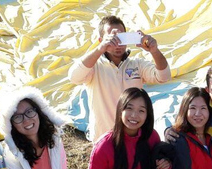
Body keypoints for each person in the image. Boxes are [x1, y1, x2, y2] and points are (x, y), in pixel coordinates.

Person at [68, 15, 171, 143]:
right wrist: (99, 50)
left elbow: (164, 77)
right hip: (104, 140)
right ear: (101, 40)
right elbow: (74, 77)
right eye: (112, 39)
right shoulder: (94, 66)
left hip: (133, 138)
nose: (117, 44)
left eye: (121, 38)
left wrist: (154, 51)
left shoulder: (137, 64)